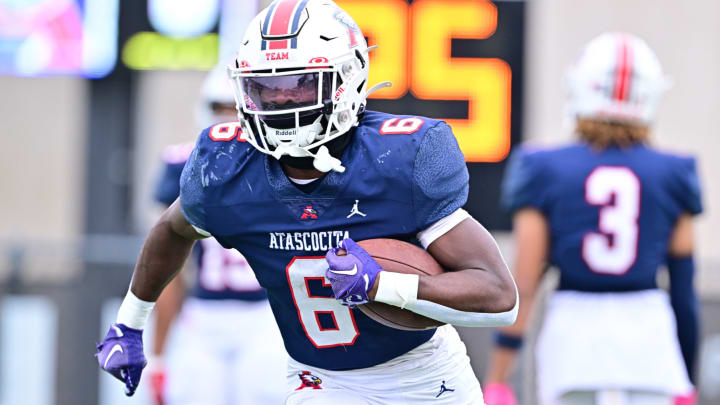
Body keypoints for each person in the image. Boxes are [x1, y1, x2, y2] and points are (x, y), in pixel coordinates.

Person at [96, 1, 518, 404]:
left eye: (298, 85)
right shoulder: (225, 166)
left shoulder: (398, 158)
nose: (280, 102)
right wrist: (130, 323)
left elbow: (500, 296)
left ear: (346, 79)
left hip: (422, 374)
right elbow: (173, 229)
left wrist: (384, 285)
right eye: (265, 87)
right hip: (319, 379)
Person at [483, 32, 702, 405]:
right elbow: (683, 293)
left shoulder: (544, 167)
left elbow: (526, 283)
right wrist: (687, 376)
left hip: (573, 343)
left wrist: (498, 377)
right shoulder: (675, 171)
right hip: (652, 344)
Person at [145, 66, 287, 405]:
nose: (227, 120)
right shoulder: (184, 163)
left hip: (265, 315)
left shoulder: (279, 160)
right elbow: (168, 268)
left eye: (233, 109)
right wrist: (159, 356)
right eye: (219, 109)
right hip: (203, 317)